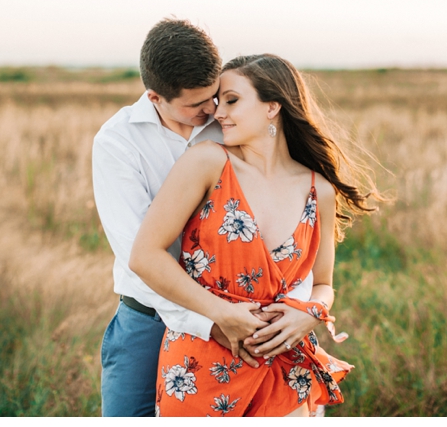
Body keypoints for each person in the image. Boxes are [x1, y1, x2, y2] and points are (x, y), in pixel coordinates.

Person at [129, 54, 383, 417]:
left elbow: (323, 285)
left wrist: (310, 314)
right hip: (202, 364)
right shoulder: (207, 163)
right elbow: (145, 256)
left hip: (286, 368)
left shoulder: (318, 190)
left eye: (231, 100)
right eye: (218, 103)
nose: (218, 113)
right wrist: (220, 314)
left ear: (272, 106)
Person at [92, 21, 314, 416]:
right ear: (155, 97)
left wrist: (299, 308)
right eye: (196, 105)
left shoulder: (229, 124)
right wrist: (213, 319)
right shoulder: (118, 142)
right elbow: (138, 256)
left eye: (214, 97)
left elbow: (284, 220)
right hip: (151, 317)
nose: (211, 110)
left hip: (244, 318)